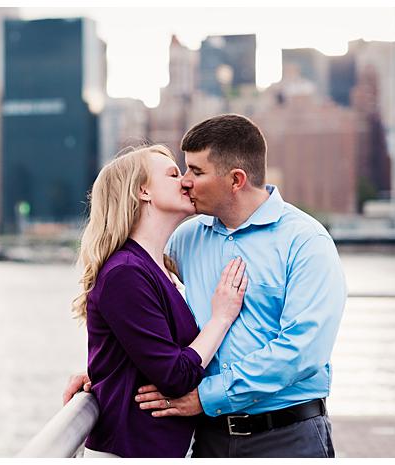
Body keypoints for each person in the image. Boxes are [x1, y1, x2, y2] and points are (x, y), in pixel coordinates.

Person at [64, 114, 347, 458]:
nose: (185, 182)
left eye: (196, 172)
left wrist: (206, 396)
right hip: (209, 440)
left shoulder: (305, 241)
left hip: (286, 437)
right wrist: (109, 371)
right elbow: (131, 304)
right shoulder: (184, 239)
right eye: (182, 171)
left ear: (236, 180)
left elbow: (303, 352)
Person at [73, 144, 248, 458]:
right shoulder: (124, 273)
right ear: (143, 191)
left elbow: (143, 353)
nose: (185, 182)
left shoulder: (158, 268)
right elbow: (176, 375)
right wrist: (221, 318)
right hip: (129, 452)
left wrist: (102, 372)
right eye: (173, 174)